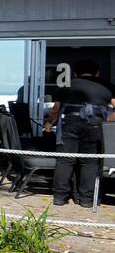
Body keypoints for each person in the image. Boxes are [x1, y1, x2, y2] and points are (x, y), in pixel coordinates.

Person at [44, 60, 115, 207]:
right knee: (90, 161)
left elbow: (56, 109)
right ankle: (86, 200)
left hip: (70, 122)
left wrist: (49, 123)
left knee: (65, 160)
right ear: (97, 73)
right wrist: (106, 121)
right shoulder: (107, 85)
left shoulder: (67, 84)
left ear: (75, 73)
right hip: (95, 124)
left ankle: (59, 197)